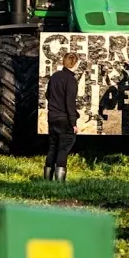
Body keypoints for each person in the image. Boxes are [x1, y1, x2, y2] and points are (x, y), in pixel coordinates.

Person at [44, 52, 80, 182]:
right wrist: (73, 123)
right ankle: (60, 180)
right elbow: (70, 103)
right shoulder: (71, 80)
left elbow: (47, 95)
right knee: (63, 148)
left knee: (52, 147)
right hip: (64, 119)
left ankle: (47, 178)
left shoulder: (54, 77)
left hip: (52, 117)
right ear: (75, 64)